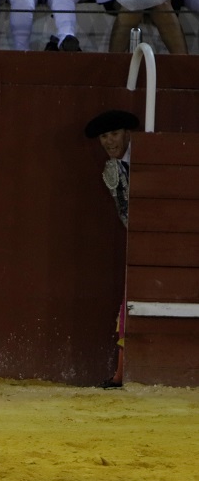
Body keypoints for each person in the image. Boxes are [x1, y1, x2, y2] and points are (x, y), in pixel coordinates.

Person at [85, 109, 138, 389]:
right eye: (104, 137)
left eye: (114, 134)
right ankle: (120, 373)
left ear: (128, 134)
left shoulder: (130, 163)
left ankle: (121, 373)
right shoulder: (115, 168)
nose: (108, 141)